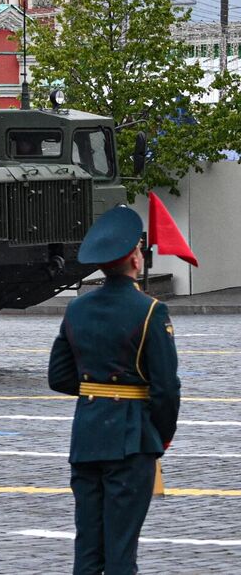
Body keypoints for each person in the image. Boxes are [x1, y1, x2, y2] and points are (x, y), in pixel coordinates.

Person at [48, 203, 180, 575]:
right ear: (135, 259)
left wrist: (98, 392)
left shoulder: (77, 309)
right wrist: (160, 437)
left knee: (88, 550)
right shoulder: (151, 311)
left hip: (87, 437)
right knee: (121, 553)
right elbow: (167, 389)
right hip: (131, 441)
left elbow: (58, 376)